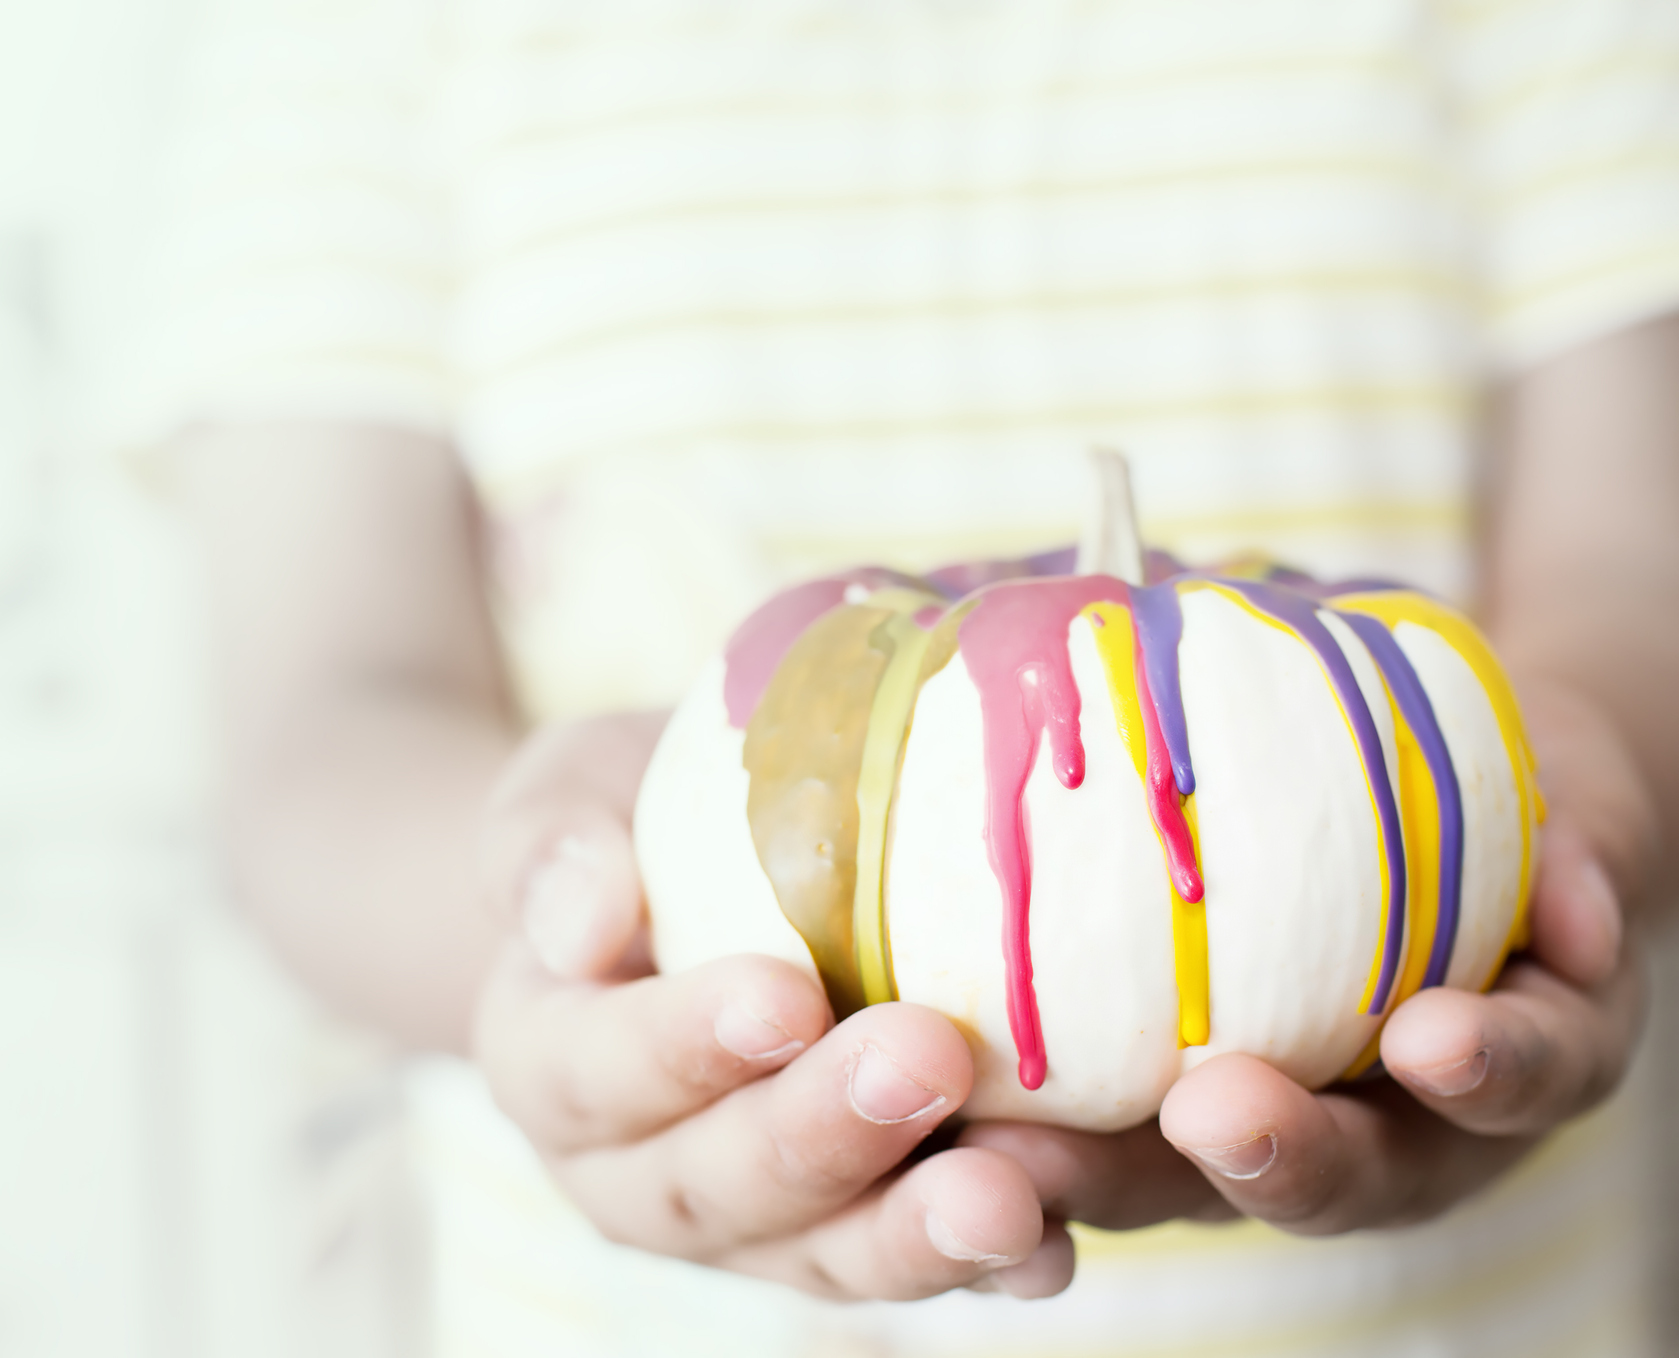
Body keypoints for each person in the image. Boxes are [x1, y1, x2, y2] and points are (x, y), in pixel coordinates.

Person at [169, 0, 1679, 1351]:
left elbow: (1634, 574)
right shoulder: (362, 35)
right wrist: (575, 960)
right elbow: (330, 723)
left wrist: (1593, 794)